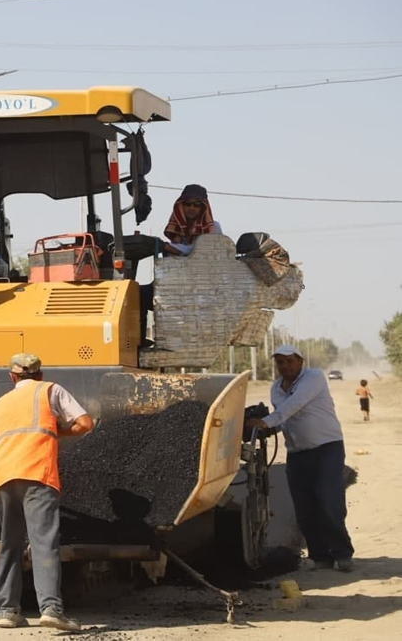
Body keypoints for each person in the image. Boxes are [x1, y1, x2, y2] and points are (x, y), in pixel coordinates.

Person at [0, 353, 94, 631]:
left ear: (12, 377)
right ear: (39, 374)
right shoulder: (50, 390)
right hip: (37, 473)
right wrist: (56, 432)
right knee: (43, 543)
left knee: (10, 544)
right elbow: (85, 423)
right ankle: (51, 609)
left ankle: (7, 611)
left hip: (3, 477)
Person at [246, 344, 354, 572]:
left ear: (300, 361)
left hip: (327, 448)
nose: (285, 366)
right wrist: (264, 428)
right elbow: (284, 417)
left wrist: (267, 421)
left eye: (289, 361)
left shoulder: (313, 378)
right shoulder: (276, 388)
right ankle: (320, 556)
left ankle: (342, 553)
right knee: (304, 508)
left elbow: (294, 406)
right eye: (280, 362)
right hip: (297, 453)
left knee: (328, 501)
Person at [140, 183, 224, 345]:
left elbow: (195, 251)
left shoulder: (212, 228)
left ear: (203, 208)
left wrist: (167, 247)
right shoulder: (179, 228)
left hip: (199, 286)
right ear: (181, 205)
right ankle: (141, 340)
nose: (191, 208)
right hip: (177, 281)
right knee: (137, 295)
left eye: (196, 205)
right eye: (187, 204)